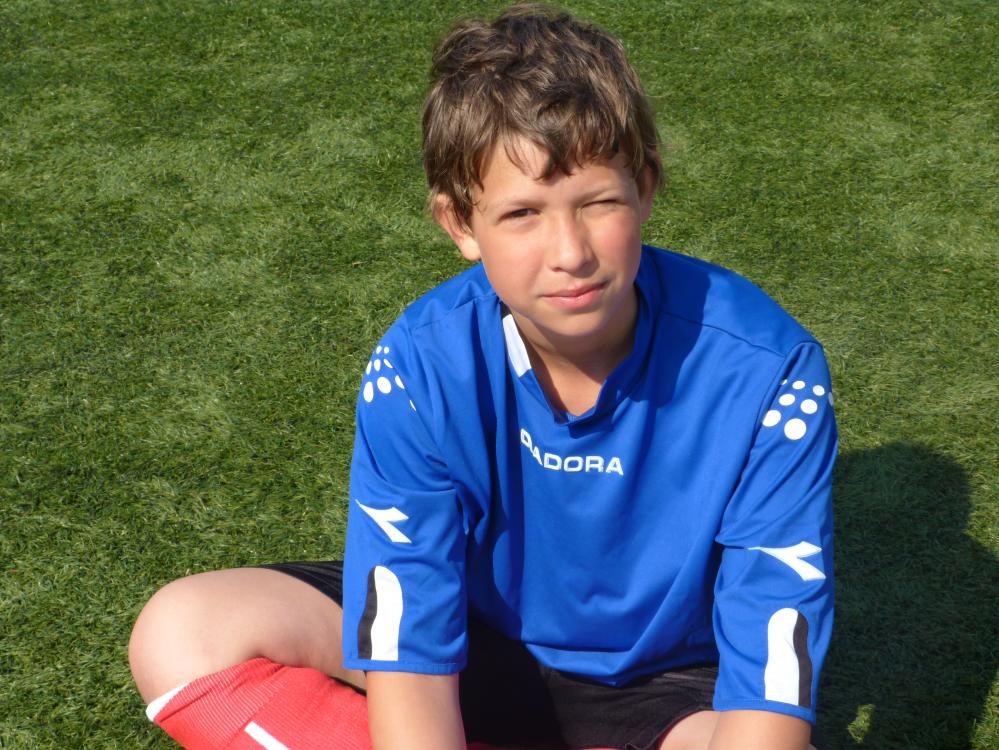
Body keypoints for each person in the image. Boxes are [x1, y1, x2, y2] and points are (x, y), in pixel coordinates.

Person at [129, 5, 836, 750]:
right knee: (185, 631)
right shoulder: (420, 365)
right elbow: (409, 636)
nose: (570, 253)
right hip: (472, 645)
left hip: (667, 688)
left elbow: (771, 659)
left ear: (646, 189)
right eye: (522, 213)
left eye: (597, 202)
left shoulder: (769, 372)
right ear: (460, 224)